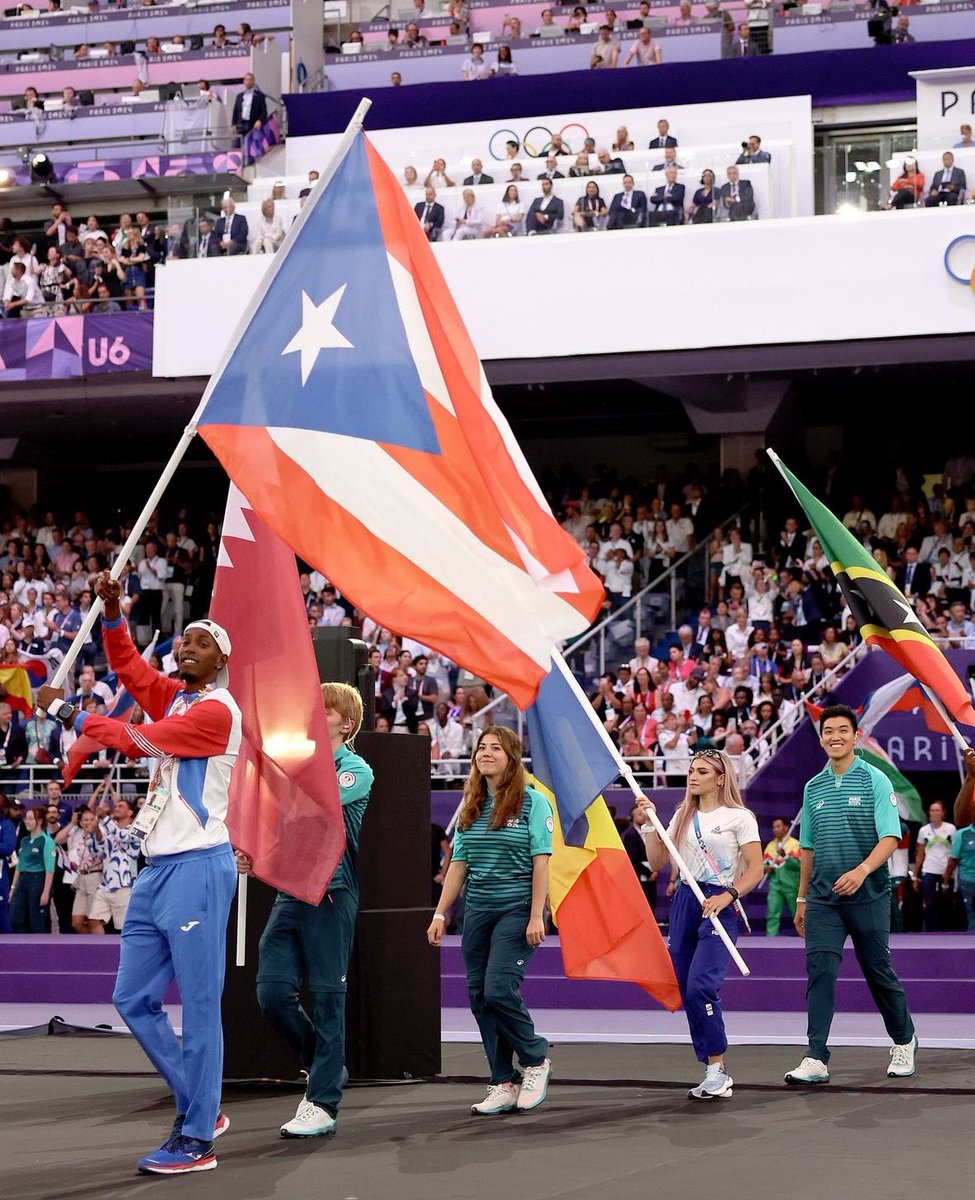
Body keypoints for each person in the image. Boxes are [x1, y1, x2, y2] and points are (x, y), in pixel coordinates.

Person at [37, 571, 241, 1175]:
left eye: (202, 643)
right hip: (157, 870)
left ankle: (198, 1138)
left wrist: (69, 712)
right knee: (131, 997)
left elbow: (138, 742)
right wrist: (111, 612)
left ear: (222, 661)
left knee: (199, 1006)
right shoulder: (178, 697)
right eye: (185, 640)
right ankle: (200, 1102)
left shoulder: (216, 712)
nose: (188, 648)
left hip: (199, 867)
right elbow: (128, 667)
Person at [238, 682, 373, 1137]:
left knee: (329, 999)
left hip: (332, 893)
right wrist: (254, 853)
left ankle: (322, 1103)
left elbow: (315, 809)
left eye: (326, 710)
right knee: (272, 994)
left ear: (346, 724)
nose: (317, 714)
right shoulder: (295, 767)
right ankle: (325, 1064)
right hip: (290, 894)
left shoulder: (355, 770)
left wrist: (273, 781)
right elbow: (278, 823)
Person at [785, 705, 917, 1085]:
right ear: (821, 738)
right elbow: (807, 848)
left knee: (877, 971)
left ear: (856, 736)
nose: (835, 737)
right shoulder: (813, 787)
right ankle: (815, 1057)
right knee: (820, 972)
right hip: (823, 900)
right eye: (828, 731)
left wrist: (861, 871)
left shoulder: (876, 779)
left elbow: (890, 837)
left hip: (869, 895)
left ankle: (904, 1040)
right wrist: (802, 899)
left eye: (843, 730)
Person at [427, 726, 554, 1114]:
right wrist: (440, 912)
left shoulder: (533, 803)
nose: (486, 753)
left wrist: (537, 915)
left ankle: (535, 1058)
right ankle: (503, 1080)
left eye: (495, 748)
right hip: (478, 911)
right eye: (481, 748)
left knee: (498, 989)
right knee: (480, 997)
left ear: (511, 757)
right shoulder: (472, 803)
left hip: (518, 908)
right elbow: (459, 864)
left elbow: (542, 862)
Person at [636, 748, 762, 1099]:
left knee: (700, 987)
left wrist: (729, 895)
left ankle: (717, 1068)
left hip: (719, 902)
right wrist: (649, 824)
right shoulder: (682, 815)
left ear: (720, 779)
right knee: (684, 986)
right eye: (691, 770)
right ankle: (711, 1066)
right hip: (685, 901)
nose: (693, 776)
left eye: (702, 771)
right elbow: (657, 861)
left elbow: (756, 869)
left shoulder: (739, 817)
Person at [9, 805, 56, 932]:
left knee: (36, 919)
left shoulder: (47, 841)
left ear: (39, 821)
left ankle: (39, 943)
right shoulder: (24, 840)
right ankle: (24, 941)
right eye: (26, 818)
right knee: (15, 916)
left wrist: (46, 892)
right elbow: (19, 865)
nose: (27, 821)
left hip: (38, 879)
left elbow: (50, 869)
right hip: (23, 880)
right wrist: (13, 888)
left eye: (30, 819)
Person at [913, 801, 956, 932]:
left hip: (946, 872)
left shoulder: (950, 829)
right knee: (929, 903)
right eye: (932, 810)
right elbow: (920, 854)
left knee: (945, 904)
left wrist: (948, 872)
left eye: (937, 810)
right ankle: (929, 933)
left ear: (943, 813)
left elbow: (954, 853)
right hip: (929, 870)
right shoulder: (924, 830)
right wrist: (915, 876)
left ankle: (946, 933)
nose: (934, 813)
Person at [763, 816, 801, 935]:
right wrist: (766, 869)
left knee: (798, 914)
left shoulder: (795, 844)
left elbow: (800, 865)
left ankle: (805, 937)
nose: (775, 829)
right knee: (772, 914)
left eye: (778, 826)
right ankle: (771, 939)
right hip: (775, 886)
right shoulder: (770, 845)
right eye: (774, 827)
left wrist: (785, 856)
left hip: (792, 886)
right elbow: (763, 864)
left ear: (786, 827)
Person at [945, 819, 975, 931]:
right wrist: (946, 880)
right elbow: (953, 859)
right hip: (968, 878)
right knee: (971, 911)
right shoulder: (962, 834)